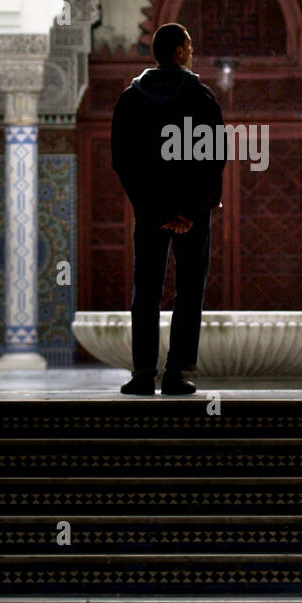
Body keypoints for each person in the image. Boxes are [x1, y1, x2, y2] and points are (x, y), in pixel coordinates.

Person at [111, 23, 225, 396]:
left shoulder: (131, 100)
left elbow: (124, 162)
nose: (192, 52)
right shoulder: (201, 98)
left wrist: (154, 210)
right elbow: (212, 158)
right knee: (189, 290)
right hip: (193, 216)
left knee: (146, 290)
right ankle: (177, 374)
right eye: (189, 46)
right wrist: (190, 210)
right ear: (177, 52)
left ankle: (143, 373)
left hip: (149, 214)